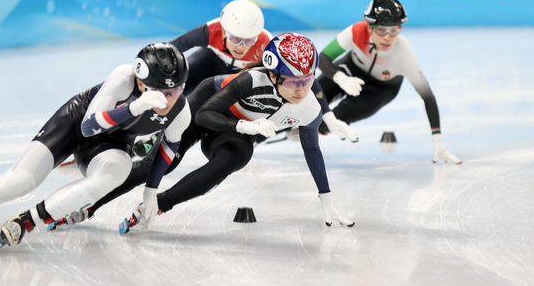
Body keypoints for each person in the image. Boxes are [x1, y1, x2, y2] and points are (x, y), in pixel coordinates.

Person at [71, 33, 354, 234]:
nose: (301, 89)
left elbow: (312, 150)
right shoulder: (251, 80)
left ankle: (158, 206)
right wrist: (244, 126)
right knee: (158, 165)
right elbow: (206, 114)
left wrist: (325, 197)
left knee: (237, 157)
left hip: (233, 133)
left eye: (307, 79)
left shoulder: (308, 108)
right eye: (293, 81)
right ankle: (90, 205)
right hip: (207, 106)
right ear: (273, 75)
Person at [0, 43, 191, 253]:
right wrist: (134, 107)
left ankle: (30, 219)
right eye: (158, 91)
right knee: (20, 181)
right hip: (75, 123)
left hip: (113, 145)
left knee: (117, 171)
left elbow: (169, 144)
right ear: (140, 81)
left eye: (176, 89)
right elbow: (88, 126)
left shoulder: (181, 112)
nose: (168, 99)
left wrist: (150, 191)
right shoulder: (123, 78)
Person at [133, 0, 357, 156]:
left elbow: (303, 75)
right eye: (235, 39)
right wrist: (145, 74)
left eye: (249, 40)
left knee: (207, 107)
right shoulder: (210, 30)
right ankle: (141, 127)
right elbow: (172, 49)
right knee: (178, 85)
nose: (241, 46)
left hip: (237, 75)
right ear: (223, 31)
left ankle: (164, 137)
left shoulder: (265, 44)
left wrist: (327, 115)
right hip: (211, 60)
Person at [316, 0, 461, 164]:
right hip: (350, 70)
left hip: (381, 89)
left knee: (336, 118)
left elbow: (427, 96)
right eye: (381, 29)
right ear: (369, 27)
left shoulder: (403, 52)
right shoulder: (357, 31)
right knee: (310, 96)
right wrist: (339, 77)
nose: (387, 37)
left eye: (394, 30)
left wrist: (438, 140)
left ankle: (314, 130)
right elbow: (323, 57)